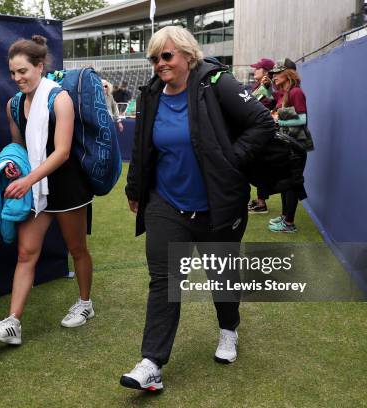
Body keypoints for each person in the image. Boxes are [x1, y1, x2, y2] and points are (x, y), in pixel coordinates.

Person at [121, 26, 275, 391]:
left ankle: (228, 330)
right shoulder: (151, 95)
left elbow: (262, 123)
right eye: (154, 58)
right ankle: (152, 363)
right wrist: (135, 188)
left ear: (188, 56)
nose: (160, 64)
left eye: (167, 56)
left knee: (221, 276)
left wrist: (231, 161)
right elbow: (144, 147)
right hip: (166, 203)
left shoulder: (216, 83)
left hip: (216, 205)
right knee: (165, 281)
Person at [0, 35, 95, 345]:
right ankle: (13, 323)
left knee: (77, 249)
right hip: (34, 188)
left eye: (23, 71)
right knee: (25, 253)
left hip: (67, 186)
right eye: (12, 72)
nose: (17, 78)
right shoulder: (13, 105)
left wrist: (27, 181)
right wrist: (13, 167)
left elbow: (62, 153)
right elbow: (18, 147)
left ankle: (85, 303)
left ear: (40, 67)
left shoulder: (59, 99)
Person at [268, 61, 309, 233]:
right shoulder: (286, 93)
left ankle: (289, 224)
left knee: (292, 184)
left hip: (297, 145)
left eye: (278, 73)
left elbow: (302, 119)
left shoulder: (296, 92)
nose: (274, 76)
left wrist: (278, 119)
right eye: (273, 73)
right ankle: (285, 217)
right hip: (288, 144)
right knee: (286, 183)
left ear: (289, 73)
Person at [247, 58, 276, 214]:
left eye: (257, 68)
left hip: (261, 131)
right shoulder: (257, 85)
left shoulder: (267, 85)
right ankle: (259, 200)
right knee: (256, 166)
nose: (254, 70)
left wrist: (267, 85)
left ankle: (261, 203)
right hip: (255, 129)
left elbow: (267, 101)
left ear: (265, 72)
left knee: (260, 166)